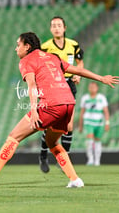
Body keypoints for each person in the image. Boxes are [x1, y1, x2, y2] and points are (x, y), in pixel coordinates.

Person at [0, 32, 119, 188]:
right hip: (69, 103)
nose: (16, 49)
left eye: (18, 45)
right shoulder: (52, 57)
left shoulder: (26, 61)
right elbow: (78, 70)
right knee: (52, 142)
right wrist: (101, 78)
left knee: (13, 137)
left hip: (51, 105)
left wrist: (34, 110)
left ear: (27, 46)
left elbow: (32, 86)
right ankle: (75, 179)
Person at [39, 16, 84, 173]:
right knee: (50, 124)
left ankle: (64, 158)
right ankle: (43, 155)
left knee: (69, 125)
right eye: (53, 25)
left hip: (69, 85)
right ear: (51, 29)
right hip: (53, 86)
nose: (56, 28)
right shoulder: (45, 48)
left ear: (64, 28)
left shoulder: (73, 45)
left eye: (59, 25)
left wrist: (78, 74)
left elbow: (80, 61)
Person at [78, 82, 110, 166]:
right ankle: (90, 159)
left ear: (97, 88)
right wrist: (80, 125)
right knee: (89, 139)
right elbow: (82, 112)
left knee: (97, 140)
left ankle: (97, 160)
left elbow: (106, 111)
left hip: (99, 122)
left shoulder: (101, 98)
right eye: (90, 87)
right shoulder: (85, 98)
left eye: (94, 87)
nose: (92, 88)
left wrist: (107, 122)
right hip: (88, 121)